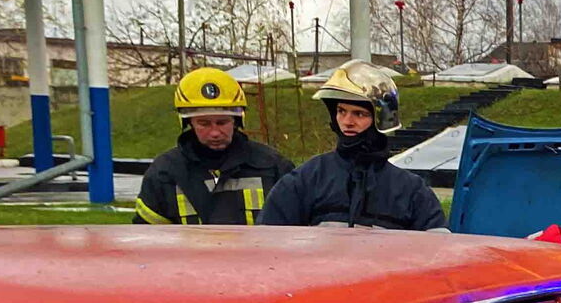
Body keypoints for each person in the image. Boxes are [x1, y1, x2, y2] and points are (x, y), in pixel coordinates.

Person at [258, 61, 445, 230]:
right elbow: (269, 244)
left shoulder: (410, 190)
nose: (347, 121)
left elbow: (439, 253)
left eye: (359, 114)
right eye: (341, 111)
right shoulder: (307, 179)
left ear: (381, 119)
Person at [134, 67, 294, 226]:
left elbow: (297, 229)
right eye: (204, 124)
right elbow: (147, 238)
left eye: (222, 122)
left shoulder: (272, 166)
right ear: (188, 122)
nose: (215, 132)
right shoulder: (165, 172)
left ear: (237, 121)